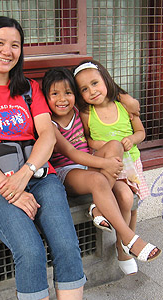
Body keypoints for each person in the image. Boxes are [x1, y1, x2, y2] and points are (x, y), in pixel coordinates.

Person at [0, 16, 86, 300]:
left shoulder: (30, 88)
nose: (7, 51)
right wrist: (10, 189)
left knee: (65, 244)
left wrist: (26, 173)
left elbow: (47, 136)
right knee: (30, 250)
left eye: (15, 45)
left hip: (39, 178)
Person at [42, 67, 158, 274]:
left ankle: (97, 206)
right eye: (55, 94)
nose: (62, 99)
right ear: (46, 97)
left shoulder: (78, 110)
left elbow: (103, 91)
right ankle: (128, 238)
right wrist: (105, 164)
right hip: (67, 171)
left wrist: (128, 99)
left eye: (68, 93)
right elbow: (72, 154)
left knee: (115, 145)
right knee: (97, 180)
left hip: (89, 165)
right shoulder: (49, 124)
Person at [73, 59, 161, 267]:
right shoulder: (88, 113)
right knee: (123, 195)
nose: (92, 91)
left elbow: (141, 132)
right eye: (84, 89)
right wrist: (101, 143)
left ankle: (124, 245)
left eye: (95, 83)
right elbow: (87, 139)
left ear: (106, 79)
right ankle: (124, 247)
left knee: (131, 201)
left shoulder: (124, 107)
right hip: (107, 168)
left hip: (130, 165)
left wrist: (132, 140)